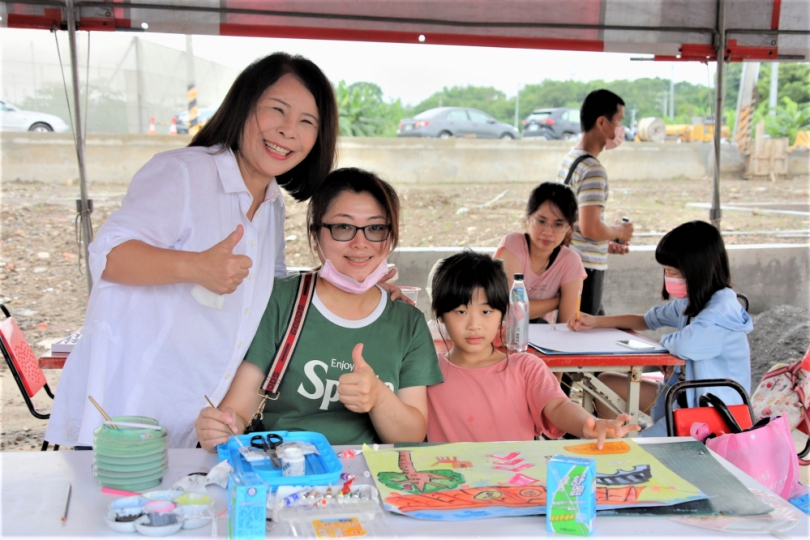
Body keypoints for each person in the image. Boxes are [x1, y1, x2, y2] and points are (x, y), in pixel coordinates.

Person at [45, 53, 339, 449]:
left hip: (200, 415)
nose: (289, 131)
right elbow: (109, 256)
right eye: (277, 111)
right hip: (130, 409)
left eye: (307, 122)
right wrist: (196, 266)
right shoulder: (185, 172)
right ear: (243, 106)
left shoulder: (271, 203)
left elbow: (274, 290)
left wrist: (356, 290)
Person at [196, 168, 443, 450]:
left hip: (367, 479)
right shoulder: (280, 300)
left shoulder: (407, 322)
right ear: (316, 234)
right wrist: (222, 427)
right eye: (343, 227)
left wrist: (378, 397)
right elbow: (239, 411)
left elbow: (411, 438)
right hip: (281, 469)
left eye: (375, 228)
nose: (360, 243)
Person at [426, 250, 639, 444]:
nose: (474, 325)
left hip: (517, 482)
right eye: (461, 312)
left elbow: (557, 406)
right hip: (451, 482)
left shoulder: (526, 367)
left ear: (503, 313)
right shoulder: (425, 371)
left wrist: (589, 423)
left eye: (486, 312)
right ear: (440, 315)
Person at [568, 221, 753, 436]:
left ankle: (623, 453)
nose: (668, 279)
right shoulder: (693, 302)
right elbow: (647, 320)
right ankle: (613, 441)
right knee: (606, 382)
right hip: (682, 397)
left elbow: (684, 344)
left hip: (711, 414)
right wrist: (596, 321)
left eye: (673, 272)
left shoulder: (720, 311)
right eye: (666, 271)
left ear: (698, 272)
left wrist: (665, 343)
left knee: (640, 451)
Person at [556, 89, 634, 316]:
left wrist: (605, 241)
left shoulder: (571, 159)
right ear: (602, 122)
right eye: (618, 121)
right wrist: (619, 230)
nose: (620, 129)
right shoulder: (594, 170)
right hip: (587, 268)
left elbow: (576, 221)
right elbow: (591, 227)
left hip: (570, 261)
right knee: (584, 335)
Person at [495, 182, 586, 324]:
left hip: (542, 339)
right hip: (501, 334)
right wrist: (557, 301)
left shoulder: (571, 261)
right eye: (541, 221)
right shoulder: (513, 244)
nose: (547, 232)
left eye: (558, 224)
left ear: (568, 227)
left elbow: (568, 323)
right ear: (529, 219)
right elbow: (508, 308)